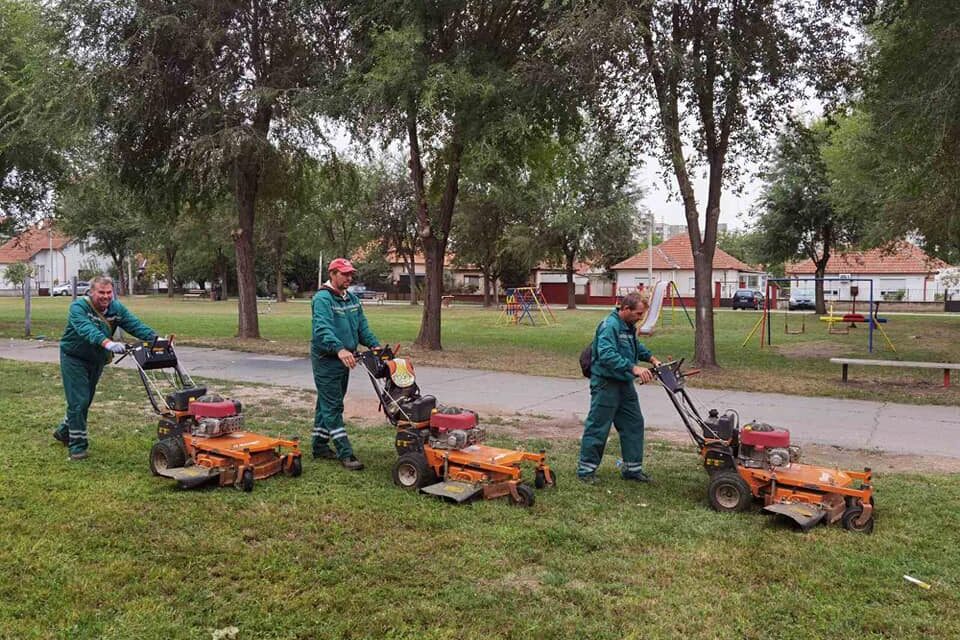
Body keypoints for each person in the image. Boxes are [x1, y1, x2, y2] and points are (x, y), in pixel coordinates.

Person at [53, 275, 159, 460]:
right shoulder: (78, 308)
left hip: (96, 359)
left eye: (109, 292)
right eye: (101, 292)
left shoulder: (116, 308)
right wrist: (108, 343)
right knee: (79, 401)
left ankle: (64, 431)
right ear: (91, 292)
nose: (106, 296)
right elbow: (86, 329)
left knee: (85, 400)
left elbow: (134, 324)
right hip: (74, 358)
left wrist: (156, 339)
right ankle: (77, 447)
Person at [577, 292, 661, 484]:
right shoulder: (610, 326)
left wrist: (651, 359)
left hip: (624, 383)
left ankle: (632, 470)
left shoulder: (628, 326)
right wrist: (634, 368)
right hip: (606, 384)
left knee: (634, 423)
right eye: (638, 314)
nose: (640, 318)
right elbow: (606, 355)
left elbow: (634, 346)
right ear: (625, 309)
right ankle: (586, 471)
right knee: (598, 426)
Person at [310, 258, 380, 470]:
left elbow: (362, 327)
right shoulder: (322, 299)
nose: (349, 278)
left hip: (345, 358)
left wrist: (374, 346)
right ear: (332, 274)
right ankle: (345, 452)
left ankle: (319, 445)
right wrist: (339, 348)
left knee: (328, 401)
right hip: (327, 360)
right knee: (333, 406)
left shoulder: (352, 299)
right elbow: (322, 329)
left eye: (351, 274)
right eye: (344, 274)